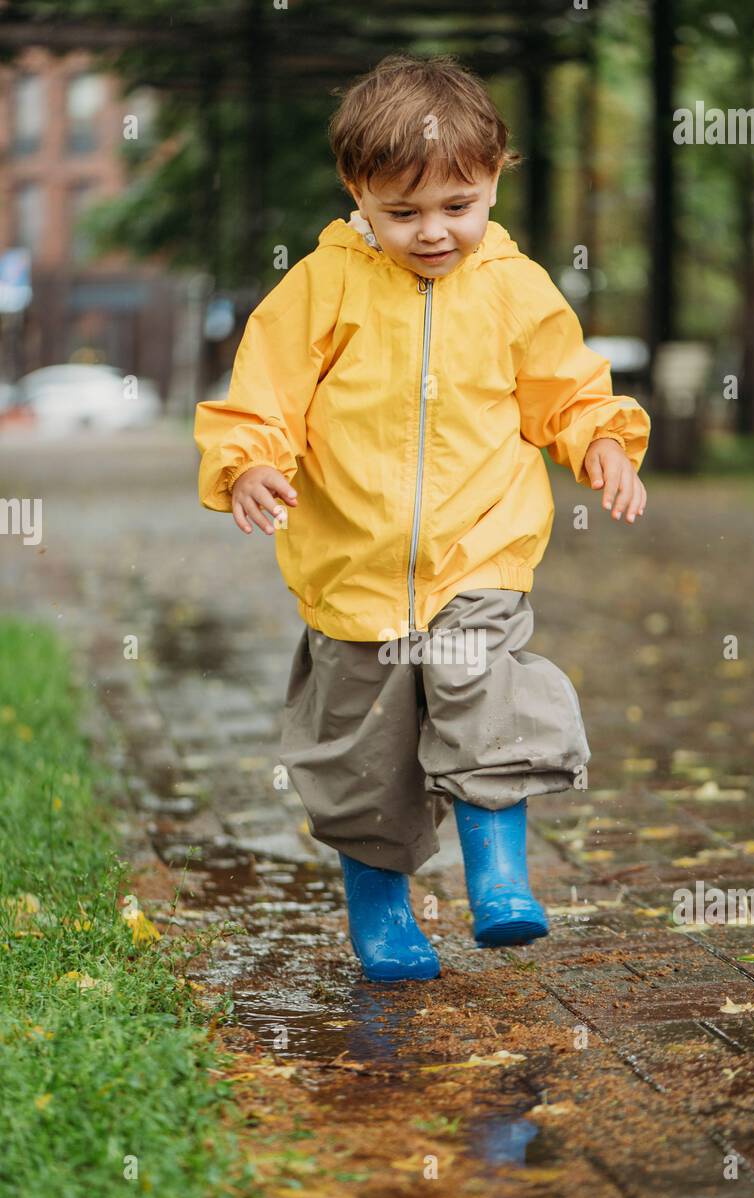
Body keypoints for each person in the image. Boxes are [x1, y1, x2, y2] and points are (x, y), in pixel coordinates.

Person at [194, 53, 650, 984]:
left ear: (495, 179)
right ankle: (382, 907)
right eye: (403, 212)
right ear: (356, 191)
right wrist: (247, 465)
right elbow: (261, 398)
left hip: (476, 554)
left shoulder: (516, 289)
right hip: (351, 576)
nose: (435, 231)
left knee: (482, 692)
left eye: (460, 204)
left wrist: (601, 438)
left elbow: (566, 388)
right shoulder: (321, 288)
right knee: (366, 757)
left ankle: (498, 877)